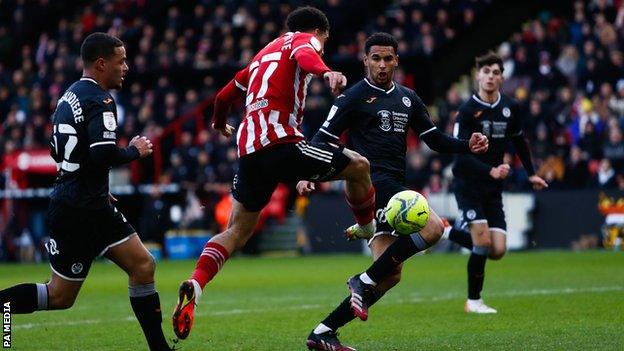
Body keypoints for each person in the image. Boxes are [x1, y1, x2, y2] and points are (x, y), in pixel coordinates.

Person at [172, 7, 378, 340]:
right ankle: (371, 233)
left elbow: (224, 95)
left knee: (237, 230)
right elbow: (306, 53)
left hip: (249, 150)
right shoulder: (304, 40)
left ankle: (197, 282)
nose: (319, 44)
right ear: (319, 32)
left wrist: (218, 123)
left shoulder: (261, 55)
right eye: (321, 39)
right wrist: (326, 72)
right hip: (280, 142)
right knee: (359, 166)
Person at [298, 32, 489, 351]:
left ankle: (322, 332)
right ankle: (362, 280)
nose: (382, 65)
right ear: (365, 61)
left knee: (390, 275)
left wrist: (466, 145)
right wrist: (310, 174)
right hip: (372, 183)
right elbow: (322, 138)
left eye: (388, 59)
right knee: (432, 227)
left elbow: (434, 139)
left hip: (393, 186)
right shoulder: (352, 98)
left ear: (397, 61)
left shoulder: (408, 98)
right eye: (376, 58)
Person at [0, 33, 172, 350]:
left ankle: (160, 348)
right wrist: (136, 150)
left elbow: (58, 151)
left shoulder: (69, 96)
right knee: (60, 296)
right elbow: (103, 154)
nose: (127, 67)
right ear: (101, 64)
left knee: (141, 266)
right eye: (121, 61)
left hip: (82, 202)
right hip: (82, 209)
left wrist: (95, 185)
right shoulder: (100, 100)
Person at [443, 52, 548, 313]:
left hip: (493, 187)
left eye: (496, 72)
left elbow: (520, 140)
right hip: (468, 183)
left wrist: (532, 172)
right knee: (481, 242)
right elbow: (460, 157)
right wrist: (490, 171)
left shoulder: (510, 107)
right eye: (486, 72)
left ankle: (447, 231)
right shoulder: (467, 111)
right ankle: (474, 301)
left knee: (497, 249)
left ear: (502, 77)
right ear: (478, 75)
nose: (490, 76)